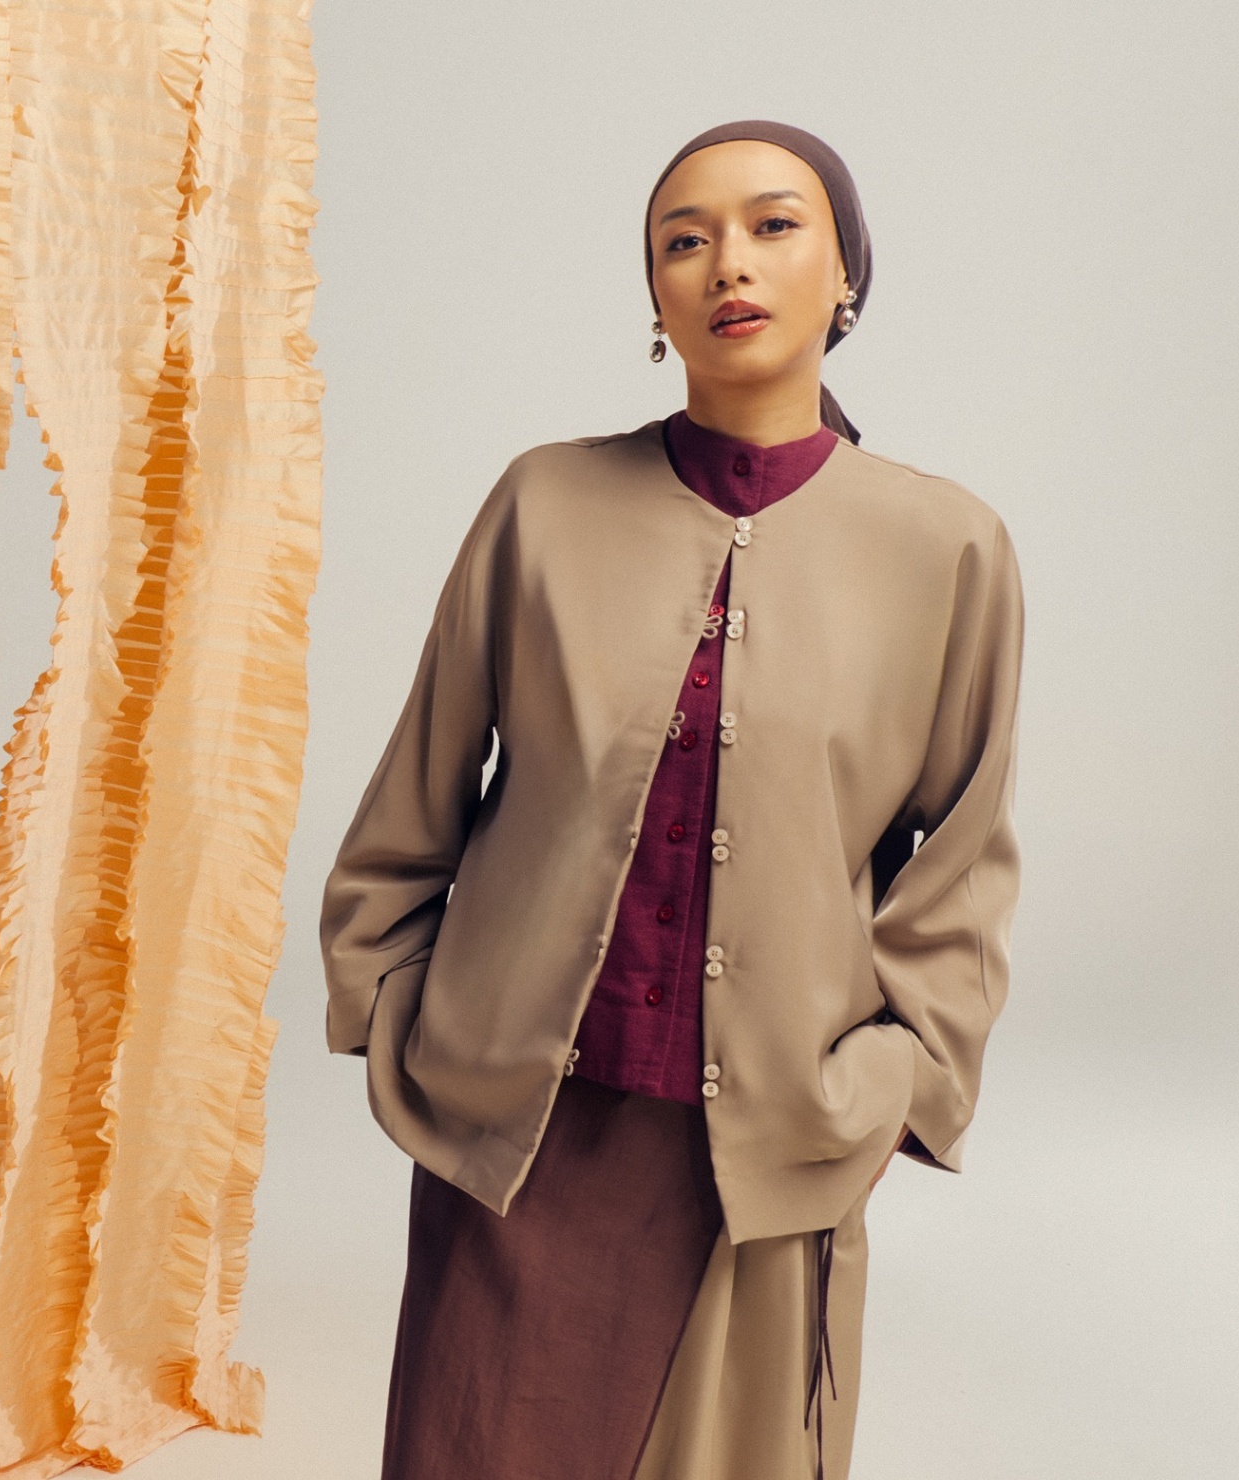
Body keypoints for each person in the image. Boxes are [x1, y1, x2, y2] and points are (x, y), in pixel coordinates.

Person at [319, 122, 1023, 1479]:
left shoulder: (948, 549)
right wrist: (395, 1002)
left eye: (774, 225)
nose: (727, 264)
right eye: (684, 240)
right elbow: (416, 793)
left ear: (846, 274)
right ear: (655, 295)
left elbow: (967, 853)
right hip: (519, 1126)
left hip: (772, 1143)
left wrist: (896, 1082)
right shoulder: (542, 504)